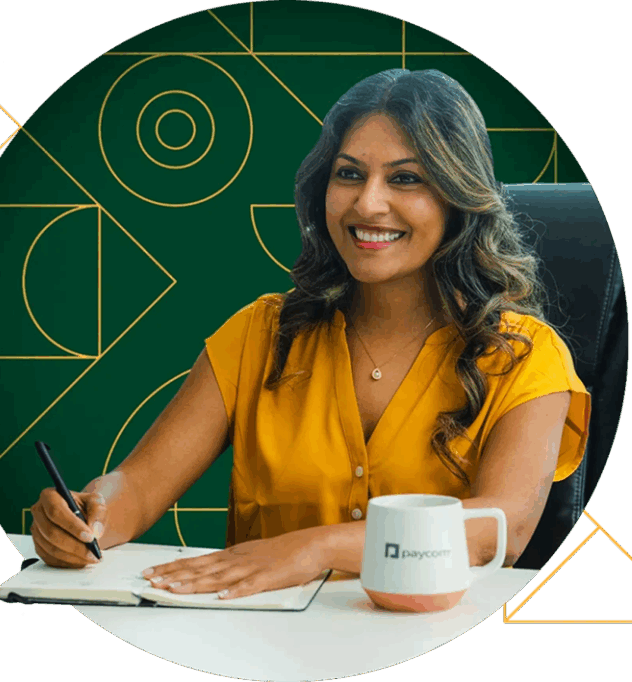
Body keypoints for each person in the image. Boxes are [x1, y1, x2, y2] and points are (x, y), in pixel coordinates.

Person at [29, 68, 591, 600]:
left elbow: (499, 530)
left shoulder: (525, 356)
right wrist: (90, 513)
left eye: (406, 178)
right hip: (261, 644)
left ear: (458, 198)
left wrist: (314, 549)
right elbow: (139, 485)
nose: (368, 202)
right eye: (349, 174)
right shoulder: (260, 334)